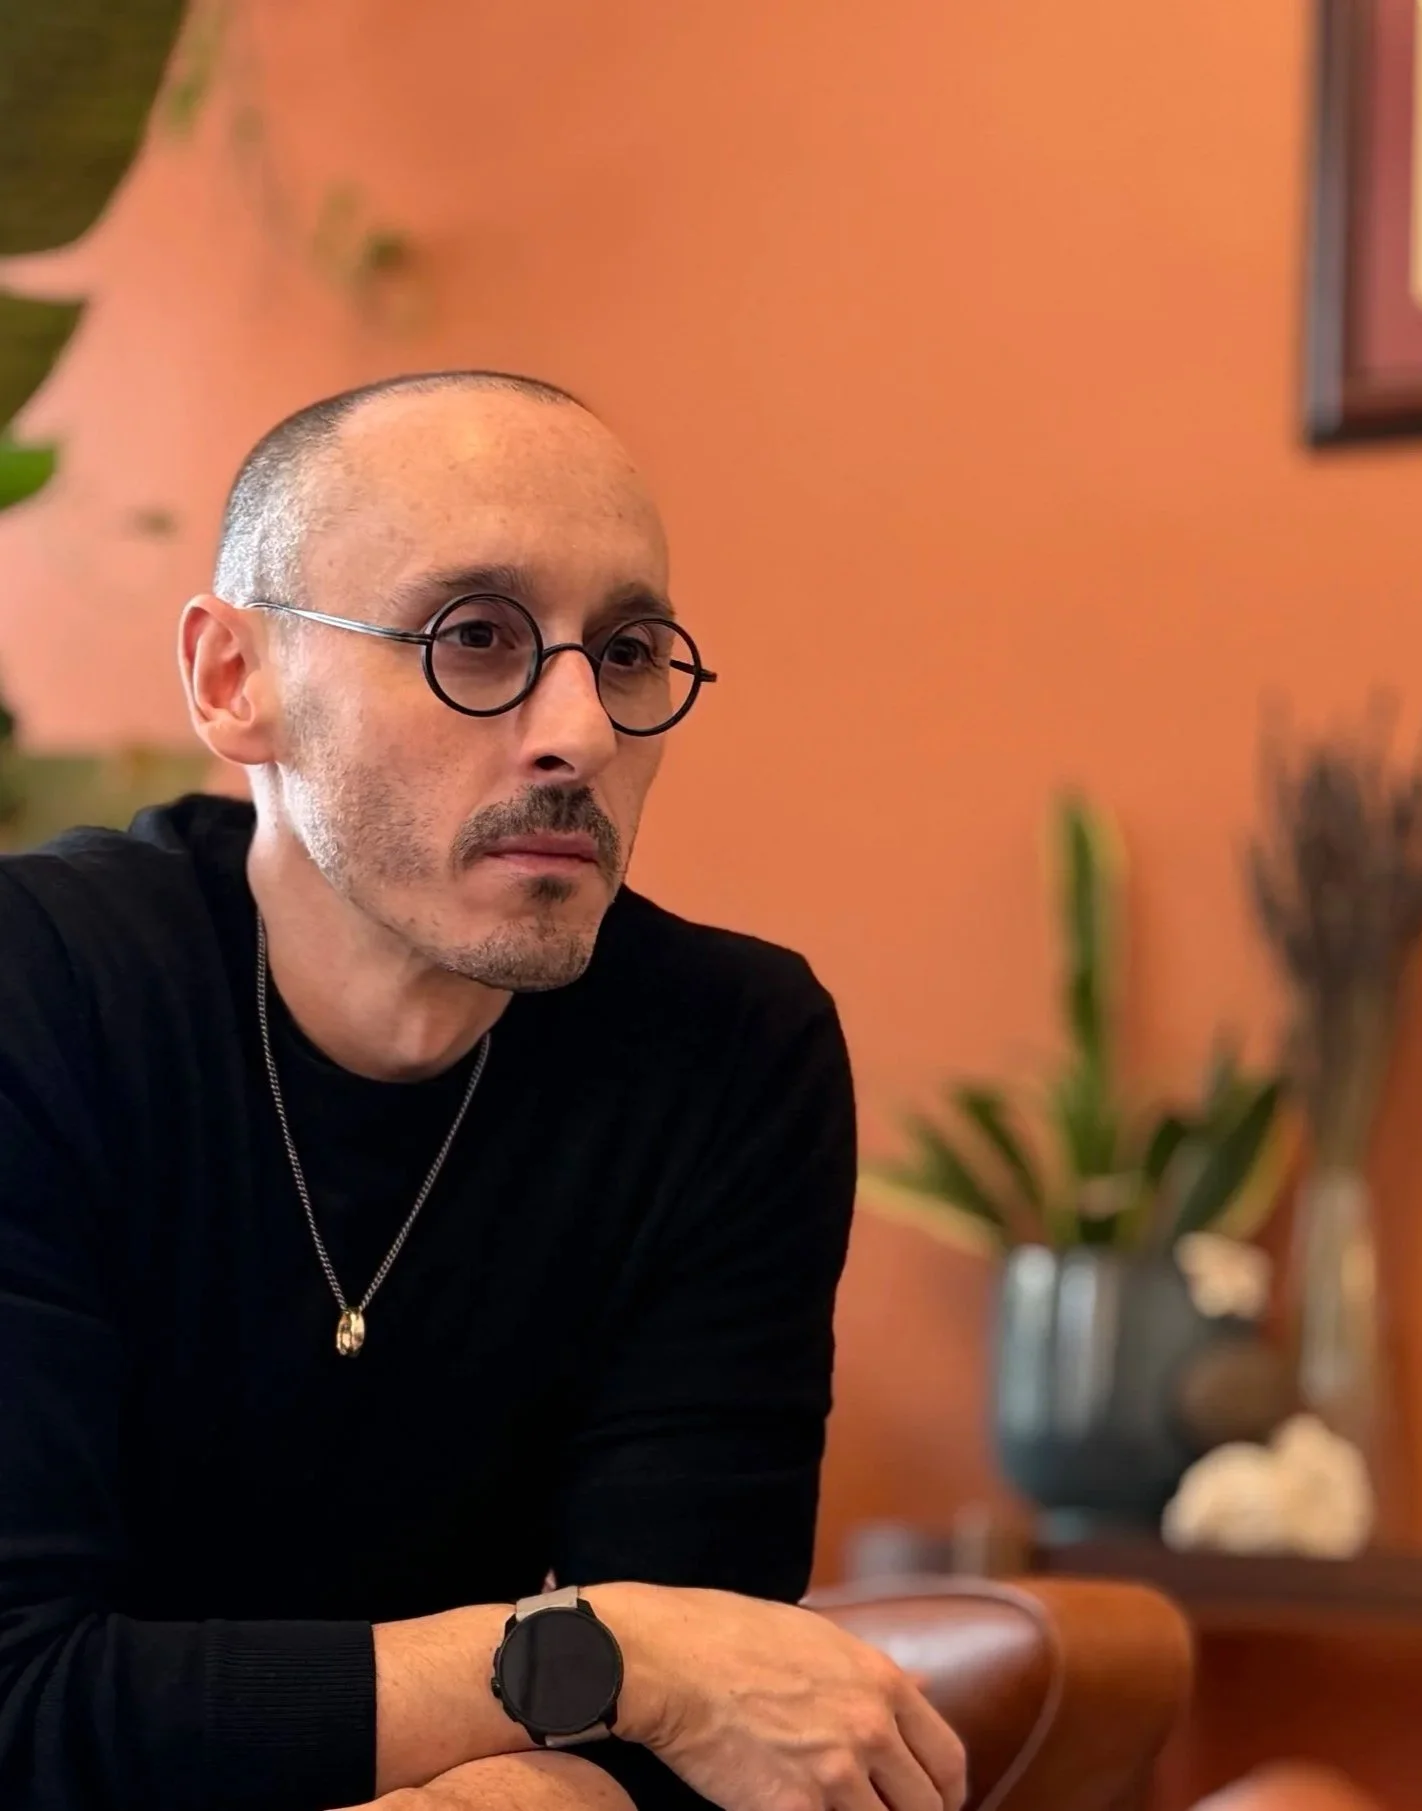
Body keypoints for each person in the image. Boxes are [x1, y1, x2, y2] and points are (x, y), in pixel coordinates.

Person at [0, 371, 967, 1811]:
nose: (576, 728)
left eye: (627, 649)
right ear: (233, 681)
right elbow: (22, 1702)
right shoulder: (46, 991)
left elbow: (711, 1735)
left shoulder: (724, 1055)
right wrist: (610, 1652)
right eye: (475, 636)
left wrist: (590, 1716)